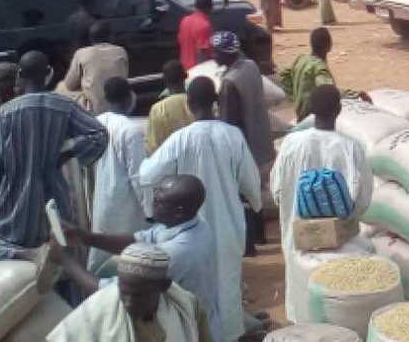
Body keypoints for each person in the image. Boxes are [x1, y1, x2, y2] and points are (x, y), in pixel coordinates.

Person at [140, 77, 260, 342]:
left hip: (191, 230)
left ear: (189, 104)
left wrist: (169, 182)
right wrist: (256, 203)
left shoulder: (179, 140)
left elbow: (146, 175)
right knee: (228, 287)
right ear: (215, 103)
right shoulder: (232, 135)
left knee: (195, 291)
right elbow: (250, 181)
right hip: (229, 225)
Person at [0, 51, 108, 260]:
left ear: (19, 74)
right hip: (54, 198)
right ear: (48, 73)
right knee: (63, 247)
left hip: (15, 200)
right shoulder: (64, 106)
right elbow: (99, 135)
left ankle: (30, 256)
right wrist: (66, 153)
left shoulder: (7, 112)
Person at [56, 175, 221, 340]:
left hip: (182, 320)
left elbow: (113, 290)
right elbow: (139, 240)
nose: (152, 203)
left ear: (178, 212)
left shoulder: (178, 252)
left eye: (158, 202)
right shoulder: (190, 222)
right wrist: (85, 237)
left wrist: (66, 262)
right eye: (155, 194)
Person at [271, 84, 374, 324]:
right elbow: (363, 202)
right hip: (340, 247)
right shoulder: (350, 148)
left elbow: (277, 191)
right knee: (335, 311)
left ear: (311, 110)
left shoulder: (290, 144)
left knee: (301, 310)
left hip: (297, 242)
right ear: (338, 110)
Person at [47, 243, 211, 342]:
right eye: (124, 293)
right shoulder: (97, 310)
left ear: (163, 286)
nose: (128, 302)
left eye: (139, 295)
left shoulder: (186, 306)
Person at [88, 78, 148, 273]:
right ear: (129, 96)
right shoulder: (130, 130)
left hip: (101, 202)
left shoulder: (96, 123)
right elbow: (139, 176)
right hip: (126, 207)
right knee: (132, 263)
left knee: (105, 262)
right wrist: (150, 212)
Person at [212, 32, 274, 170]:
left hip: (249, 156)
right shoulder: (251, 66)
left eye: (216, 52)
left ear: (225, 55)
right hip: (264, 147)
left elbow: (229, 124)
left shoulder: (229, 83)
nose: (213, 56)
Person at [62, 21, 130, 115]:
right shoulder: (121, 51)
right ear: (110, 36)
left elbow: (69, 85)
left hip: (95, 111)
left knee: (62, 87)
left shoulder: (81, 53)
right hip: (120, 108)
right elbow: (123, 80)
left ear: (91, 39)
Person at [290, 27, 336, 121]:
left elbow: (284, 75)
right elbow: (327, 90)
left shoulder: (301, 59)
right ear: (329, 45)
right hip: (312, 119)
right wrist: (354, 95)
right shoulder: (319, 67)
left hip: (300, 114)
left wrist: (297, 95)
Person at [178, 0, 214, 73]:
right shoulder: (204, 25)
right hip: (197, 70)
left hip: (184, 68)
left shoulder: (185, 20)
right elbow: (203, 52)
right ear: (210, 7)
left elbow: (181, 42)